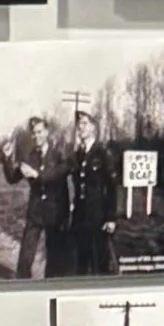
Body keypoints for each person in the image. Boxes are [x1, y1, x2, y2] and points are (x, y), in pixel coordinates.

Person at [47, 109, 121, 278]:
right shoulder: (77, 155)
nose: (80, 128)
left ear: (93, 128)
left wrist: (111, 217)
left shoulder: (102, 153)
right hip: (80, 216)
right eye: (79, 124)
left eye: (85, 124)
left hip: (98, 216)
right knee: (80, 262)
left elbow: (111, 187)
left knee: (98, 264)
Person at [1, 111, 58, 279]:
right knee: (25, 258)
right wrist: (6, 158)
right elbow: (12, 178)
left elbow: (57, 176)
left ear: (47, 132)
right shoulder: (28, 157)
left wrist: (36, 175)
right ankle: (23, 287)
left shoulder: (58, 155)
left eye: (40, 132)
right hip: (35, 213)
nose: (36, 136)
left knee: (54, 259)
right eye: (33, 133)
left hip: (55, 213)